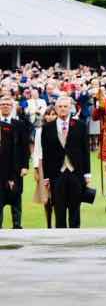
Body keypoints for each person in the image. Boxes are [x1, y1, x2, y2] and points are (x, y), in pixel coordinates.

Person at [40, 96, 91, 228]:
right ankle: (60, 240)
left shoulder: (80, 125)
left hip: (76, 172)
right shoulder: (48, 128)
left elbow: (85, 151)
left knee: (75, 208)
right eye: (60, 106)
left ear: (70, 108)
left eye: (65, 106)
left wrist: (87, 173)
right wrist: (46, 176)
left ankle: (75, 239)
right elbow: (46, 154)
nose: (63, 109)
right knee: (59, 208)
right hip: (57, 173)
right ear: (56, 108)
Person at [0, 95, 28, 229]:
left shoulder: (20, 125)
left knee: (16, 198)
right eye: (3, 104)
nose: (5, 106)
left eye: (8, 104)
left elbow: (25, 147)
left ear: (12, 107)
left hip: (16, 168)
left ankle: (17, 227)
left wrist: (25, 166)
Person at [32, 106, 57, 228]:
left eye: (53, 114)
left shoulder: (61, 128)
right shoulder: (39, 130)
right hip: (43, 165)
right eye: (48, 114)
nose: (50, 116)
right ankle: (48, 224)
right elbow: (36, 151)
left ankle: (59, 223)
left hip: (58, 165)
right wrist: (36, 169)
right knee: (46, 197)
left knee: (58, 196)